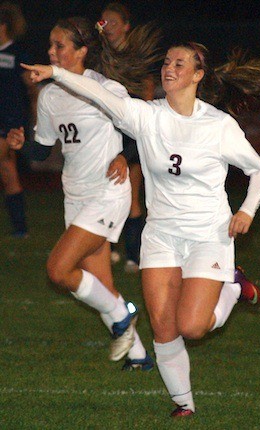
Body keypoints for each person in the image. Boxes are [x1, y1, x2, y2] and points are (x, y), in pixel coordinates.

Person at [18, 41, 260, 417]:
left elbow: (258, 170)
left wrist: (246, 211)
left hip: (207, 233)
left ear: (197, 75)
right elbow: (99, 93)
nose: (169, 68)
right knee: (164, 327)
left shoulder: (218, 125)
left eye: (180, 64)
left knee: (191, 327)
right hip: (161, 233)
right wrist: (57, 74)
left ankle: (231, 288)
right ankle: (184, 404)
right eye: (166, 62)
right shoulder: (147, 116)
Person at [7, 16, 153, 371]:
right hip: (74, 195)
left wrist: (124, 155)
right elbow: (43, 150)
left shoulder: (105, 89)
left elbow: (142, 129)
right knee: (100, 283)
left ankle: (122, 314)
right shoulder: (49, 95)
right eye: (51, 45)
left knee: (58, 270)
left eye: (60, 46)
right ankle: (138, 357)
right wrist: (23, 145)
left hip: (108, 192)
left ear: (82, 51)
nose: (51, 51)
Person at [101, 2, 155, 273]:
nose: (106, 26)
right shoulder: (98, 57)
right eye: (103, 21)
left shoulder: (135, 57)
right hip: (105, 130)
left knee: (133, 194)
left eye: (112, 21)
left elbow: (146, 88)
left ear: (125, 27)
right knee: (106, 192)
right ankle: (107, 249)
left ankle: (133, 255)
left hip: (130, 131)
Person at [0, 2, 37, 238]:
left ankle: (21, 227)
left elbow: (31, 87)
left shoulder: (18, 53)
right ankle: (21, 228)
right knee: (7, 171)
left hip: (10, 122)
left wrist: (34, 114)